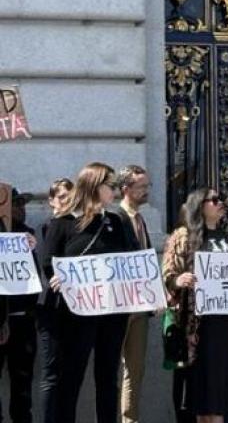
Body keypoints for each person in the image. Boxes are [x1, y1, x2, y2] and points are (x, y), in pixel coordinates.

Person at [41, 162, 135, 423]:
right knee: (71, 375)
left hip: (112, 313)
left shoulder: (116, 221)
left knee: (107, 377)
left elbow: (130, 260)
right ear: (94, 186)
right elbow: (48, 261)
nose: (114, 191)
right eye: (110, 185)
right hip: (77, 313)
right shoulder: (64, 223)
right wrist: (57, 277)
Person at [161, 187, 228, 423]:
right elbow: (167, 273)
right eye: (214, 200)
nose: (220, 203)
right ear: (199, 205)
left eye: (221, 200)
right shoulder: (182, 236)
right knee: (198, 389)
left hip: (224, 322)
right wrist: (178, 280)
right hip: (195, 326)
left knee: (218, 389)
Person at [115, 165, 153, 423]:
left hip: (141, 305)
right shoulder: (115, 218)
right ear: (126, 189)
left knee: (135, 370)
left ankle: (130, 419)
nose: (146, 191)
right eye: (141, 187)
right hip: (119, 307)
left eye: (147, 186)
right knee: (112, 370)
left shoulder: (140, 219)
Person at [0, 188, 37, 423]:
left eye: (23, 204)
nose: (22, 209)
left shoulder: (26, 236)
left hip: (24, 320)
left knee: (23, 384)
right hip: (2, 320)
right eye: (16, 204)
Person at [38, 178, 73, 423]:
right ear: (51, 200)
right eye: (61, 197)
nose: (65, 202)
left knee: (67, 372)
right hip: (51, 305)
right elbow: (46, 261)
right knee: (52, 373)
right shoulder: (53, 225)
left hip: (72, 306)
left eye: (69, 197)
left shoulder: (73, 224)